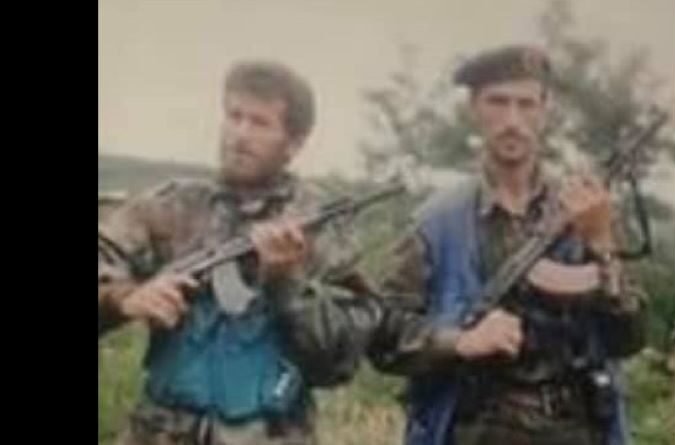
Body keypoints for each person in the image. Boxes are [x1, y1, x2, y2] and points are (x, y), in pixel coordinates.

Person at [366, 45, 647, 445]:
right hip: (475, 428)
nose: (513, 120)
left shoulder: (587, 209)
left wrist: (602, 245)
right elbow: (382, 335)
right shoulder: (436, 222)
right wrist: (461, 342)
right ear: (474, 110)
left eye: (526, 104)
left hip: (577, 428)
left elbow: (629, 339)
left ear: (545, 111)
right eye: (497, 102)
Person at [98, 60, 377, 445]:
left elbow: (339, 361)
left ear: (294, 144)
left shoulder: (322, 227)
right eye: (234, 116)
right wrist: (125, 298)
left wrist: (287, 286)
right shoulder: (170, 207)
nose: (240, 135)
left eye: (260, 123)